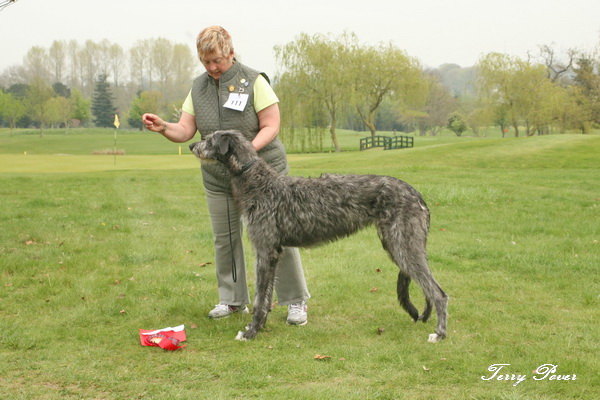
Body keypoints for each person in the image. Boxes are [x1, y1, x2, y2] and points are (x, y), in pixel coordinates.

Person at [142, 26, 310, 325]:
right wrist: (164, 127)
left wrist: (244, 154)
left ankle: (295, 301)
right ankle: (233, 301)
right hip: (220, 178)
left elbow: (271, 125)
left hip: (264, 175)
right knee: (225, 238)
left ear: (231, 52)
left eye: (217, 60)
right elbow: (186, 130)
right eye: (206, 62)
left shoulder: (254, 81)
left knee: (278, 237)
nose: (212, 67)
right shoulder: (199, 87)